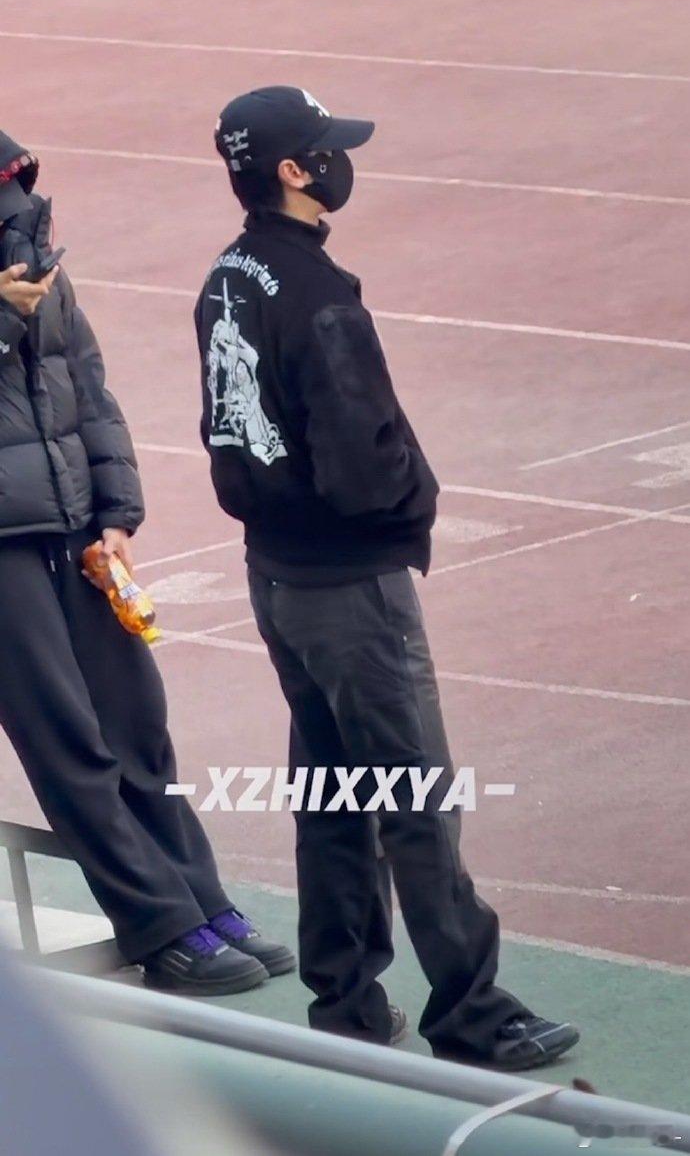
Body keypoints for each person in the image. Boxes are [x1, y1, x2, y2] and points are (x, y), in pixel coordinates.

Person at [195, 86, 580, 1068]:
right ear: (294, 170)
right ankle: (473, 1013)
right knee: (415, 799)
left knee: (332, 795)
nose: (339, 161)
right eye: (325, 149)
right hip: (351, 589)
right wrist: (416, 501)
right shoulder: (320, 295)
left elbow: (229, 429)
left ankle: (347, 1005)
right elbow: (363, 468)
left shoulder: (227, 276)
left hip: (275, 577)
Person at [0, 130, 294, 995]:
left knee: (136, 725)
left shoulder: (37, 260)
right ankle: (160, 925)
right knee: (69, 744)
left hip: (73, 524)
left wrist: (116, 514)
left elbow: (89, 389)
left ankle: (201, 899)